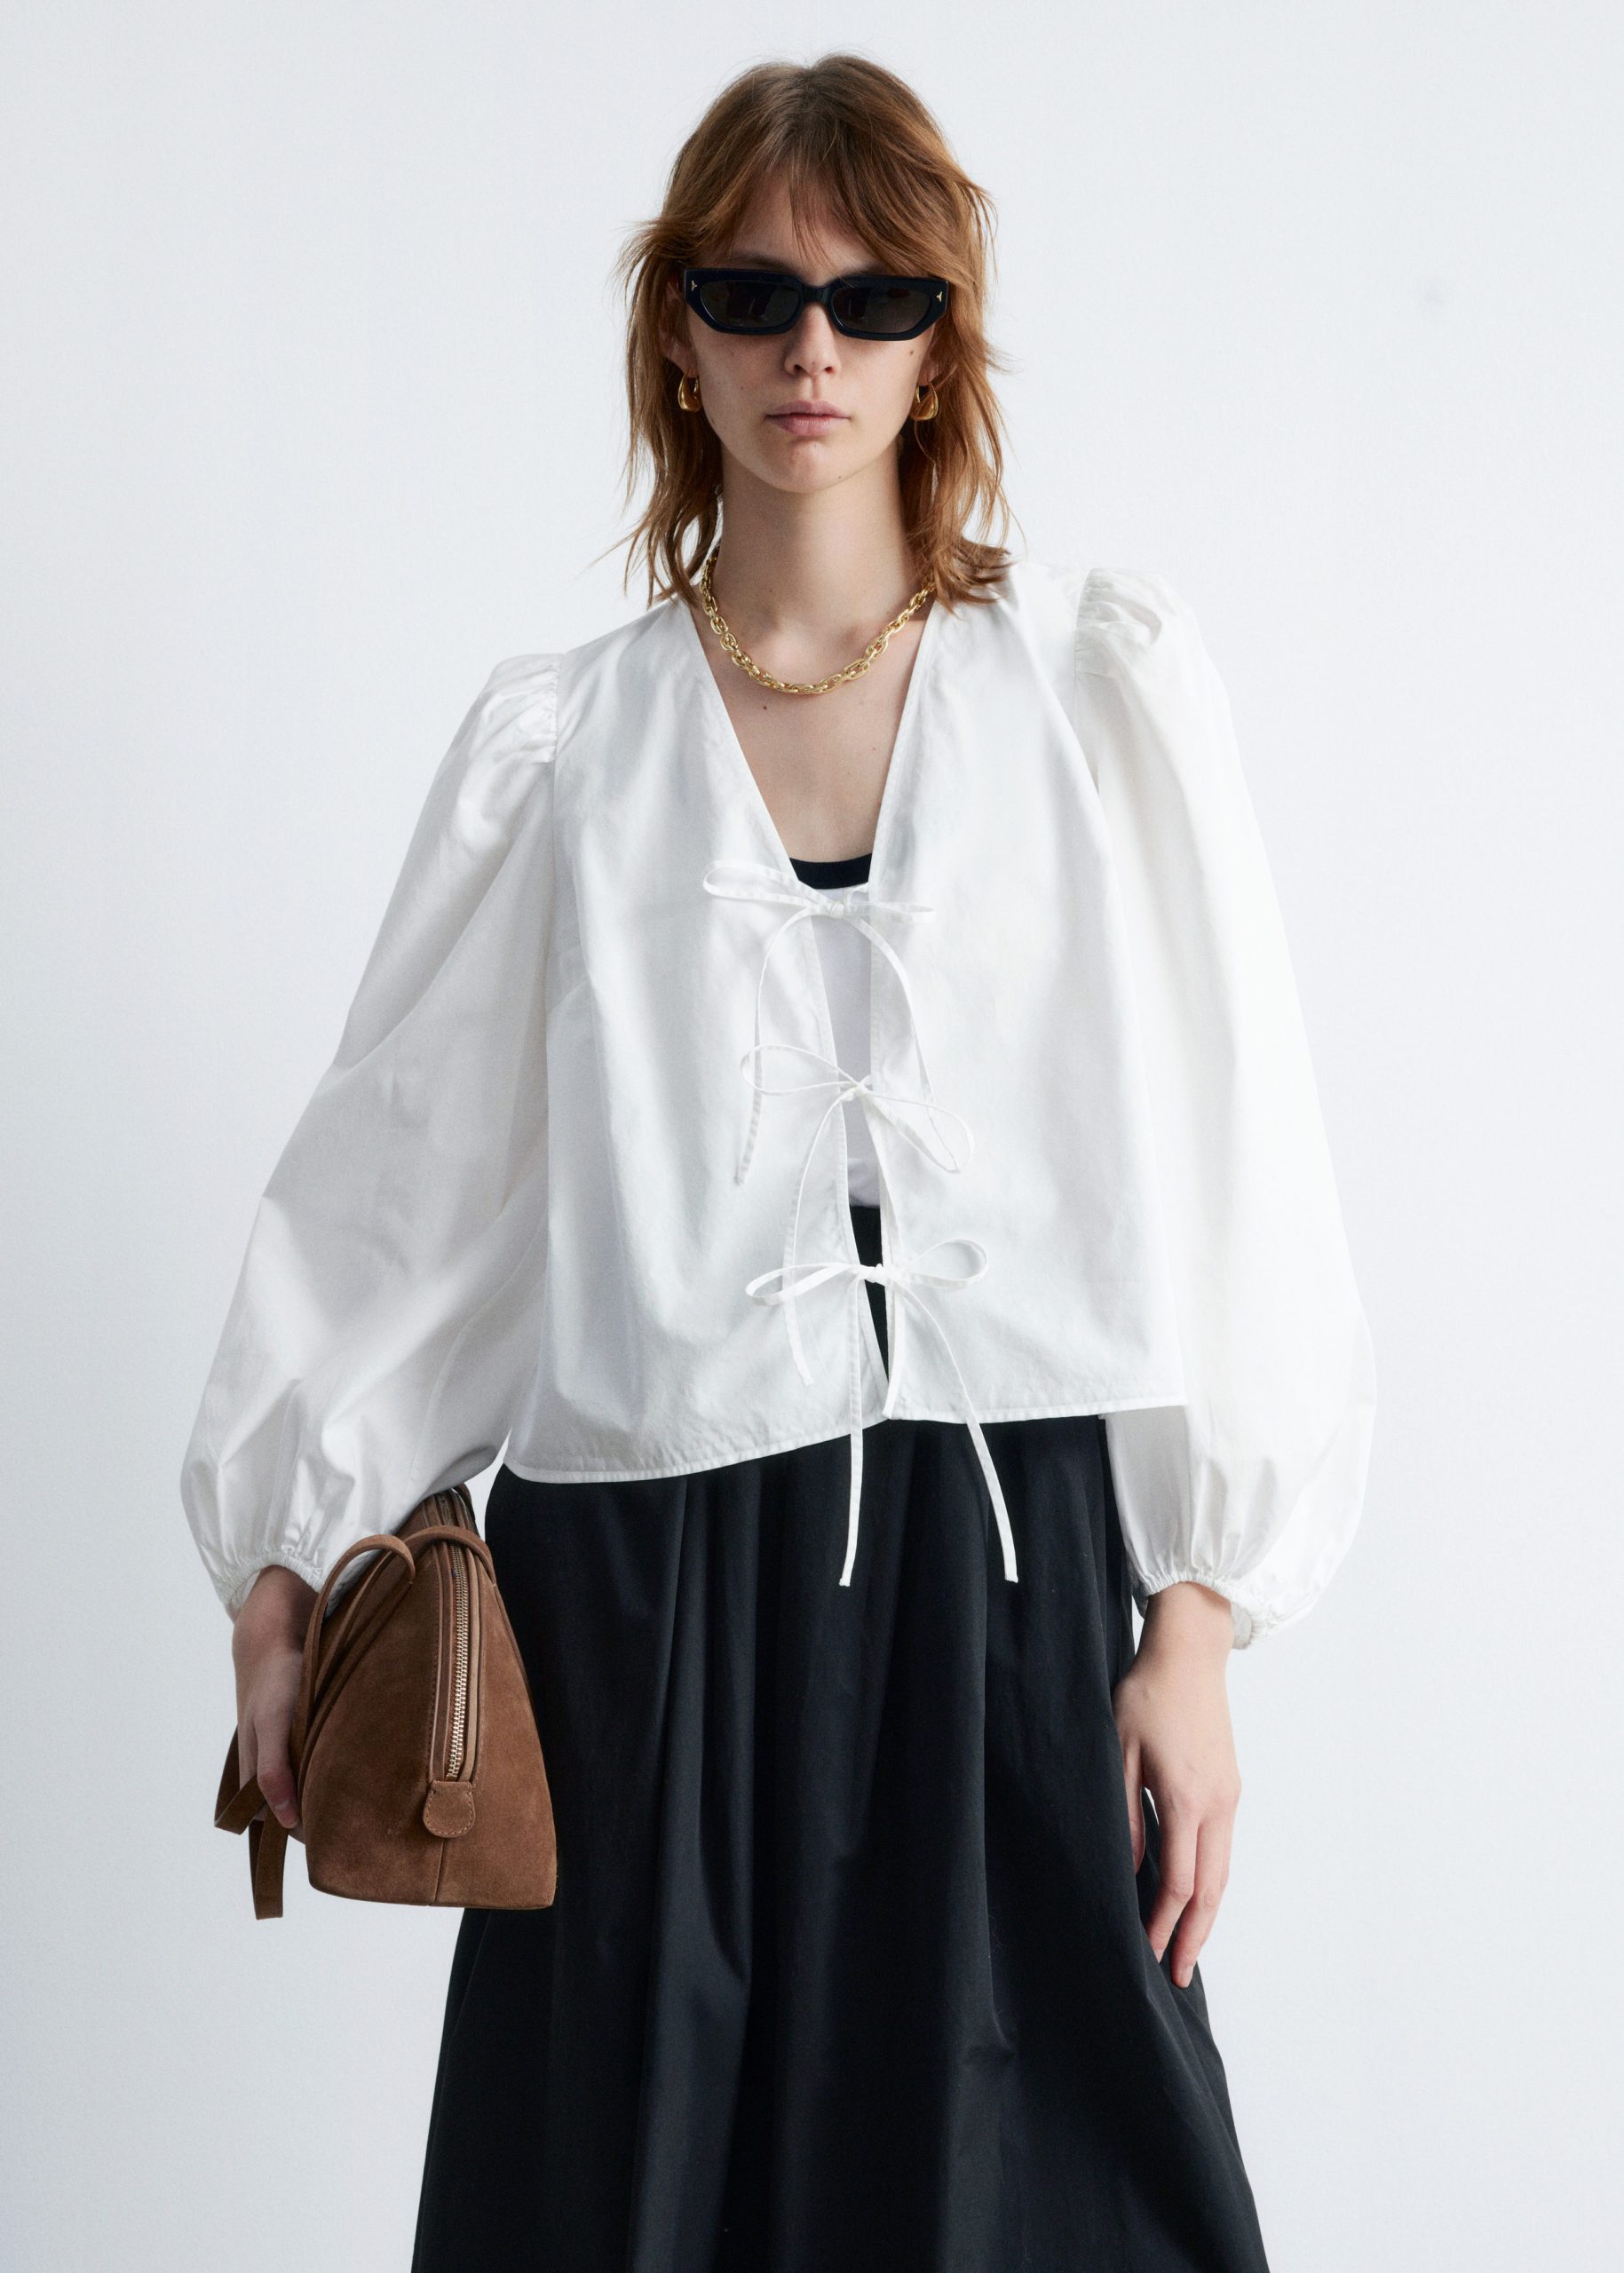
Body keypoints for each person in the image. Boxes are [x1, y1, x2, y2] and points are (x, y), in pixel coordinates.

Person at [180, 53, 1376, 2273]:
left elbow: (1243, 1154)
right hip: (648, 1607)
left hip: (1003, 1582)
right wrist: (284, 1545)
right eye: (750, 291)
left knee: (1050, 2201)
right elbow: (407, 1178)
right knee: (637, 2203)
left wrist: (1198, 1617)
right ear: (678, 333)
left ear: (941, 342)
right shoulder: (565, 746)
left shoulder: (1090, 701)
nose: (810, 345)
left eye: (872, 294)